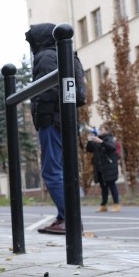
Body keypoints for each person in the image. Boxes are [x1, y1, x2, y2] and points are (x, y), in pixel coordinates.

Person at [26, 22, 83, 235]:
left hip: (52, 120)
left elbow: (48, 91)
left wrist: (42, 118)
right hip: (64, 120)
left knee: (52, 172)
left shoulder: (46, 56)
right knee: (63, 171)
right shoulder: (62, 53)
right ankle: (64, 217)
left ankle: (70, 219)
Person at [87, 123, 120, 212]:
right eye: (100, 129)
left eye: (102, 130)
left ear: (107, 131)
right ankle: (103, 205)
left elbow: (112, 147)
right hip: (100, 168)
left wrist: (101, 142)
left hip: (109, 167)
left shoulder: (109, 138)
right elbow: (89, 149)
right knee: (103, 187)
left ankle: (116, 204)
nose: (100, 131)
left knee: (112, 185)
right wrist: (90, 141)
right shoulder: (98, 140)